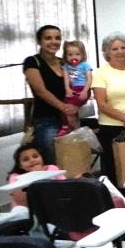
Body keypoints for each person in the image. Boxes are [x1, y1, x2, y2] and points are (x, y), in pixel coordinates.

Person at [92, 32, 125, 198]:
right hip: (111, 129)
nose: (120, 51)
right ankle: (117, 209)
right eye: (114, 48)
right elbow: (101, 103)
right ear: (107, 52)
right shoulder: (100, 73)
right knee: (114, 174)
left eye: (123, 47)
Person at [24, 25, 73, 165]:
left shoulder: (64, 63)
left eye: (57, 38)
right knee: (54, 162)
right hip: (46, 120)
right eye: (48, 38)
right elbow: (40, 91)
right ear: (39, 41)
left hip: (69, 119)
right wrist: (64, 107)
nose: (54, 41)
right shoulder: (32, 61)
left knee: (71, 161)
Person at [60, 40, 92, 135]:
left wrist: (85, 91)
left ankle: (71, 129)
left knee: (70, 109)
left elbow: (89, 79)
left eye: (77, 54)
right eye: (70, 55)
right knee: (64, 108)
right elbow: (66, 79)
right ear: (66, 56)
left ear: (82, 55)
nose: (74, 57)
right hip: (73, 90)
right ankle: (69, 127)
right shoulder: (66, 66)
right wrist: (68, 90)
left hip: (83, 89)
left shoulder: (85, 65)